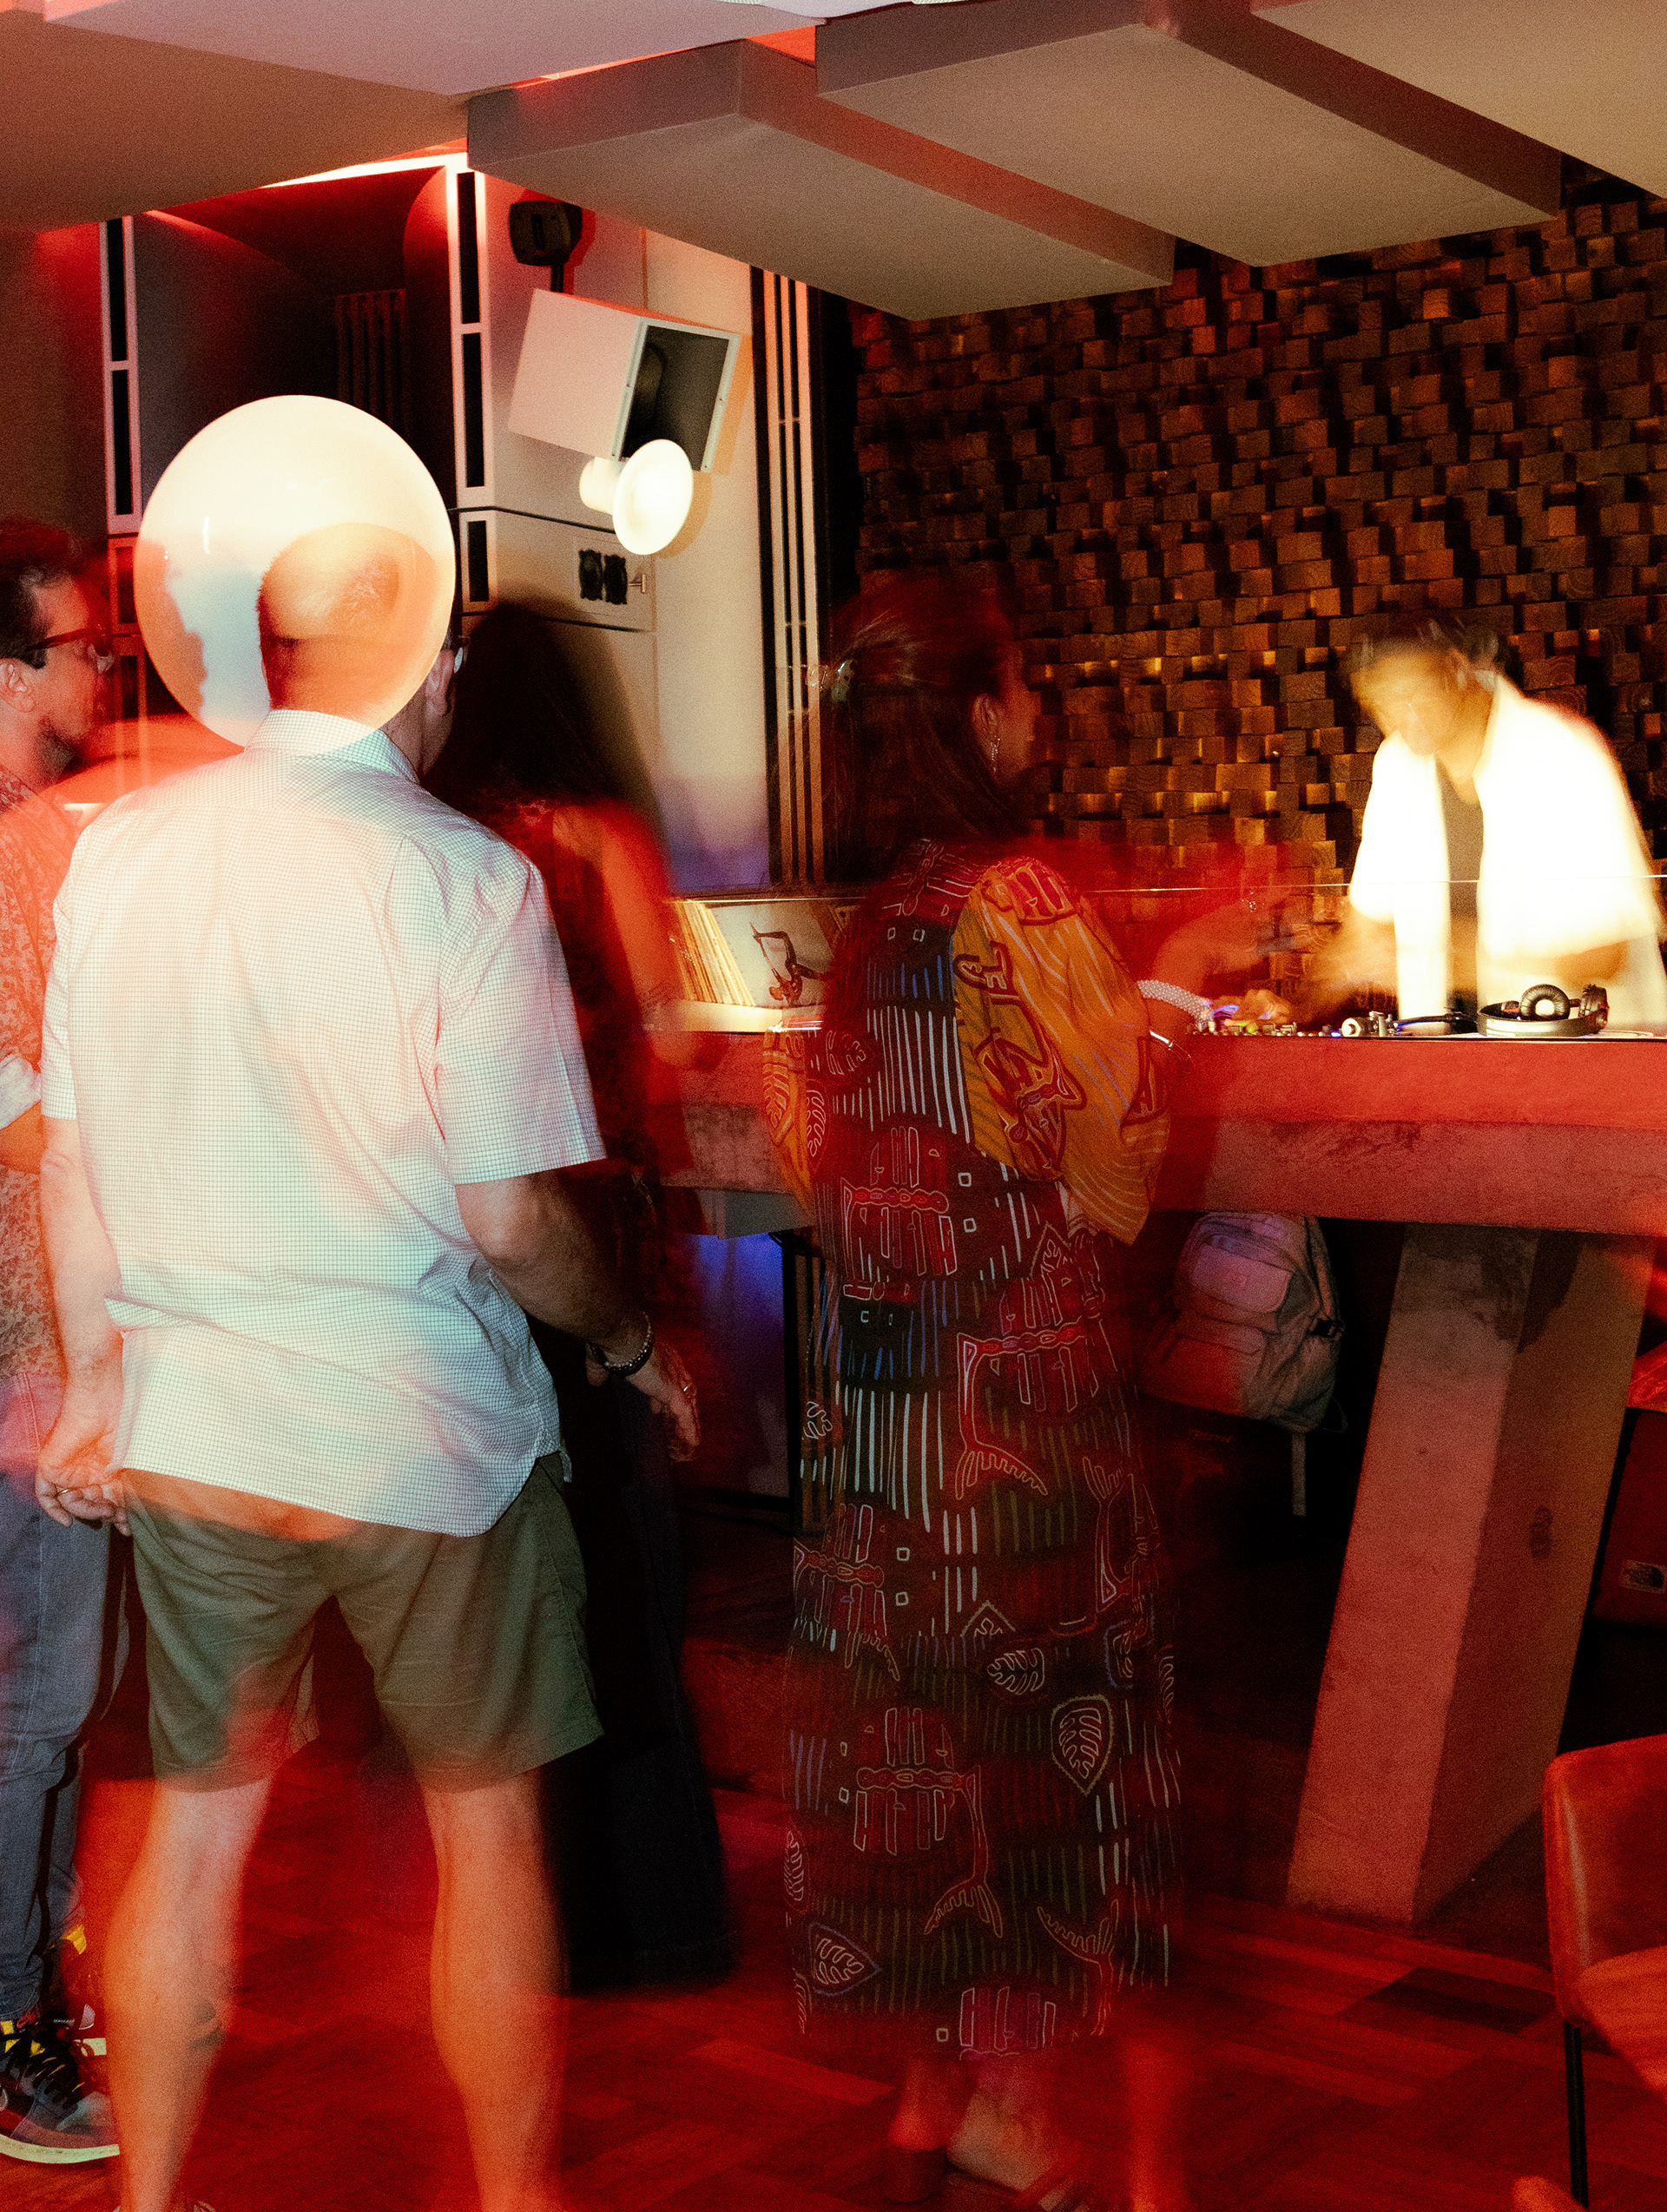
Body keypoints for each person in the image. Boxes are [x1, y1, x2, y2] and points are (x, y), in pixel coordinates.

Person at [31, 530, 697, 2212]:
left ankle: (148, 2200)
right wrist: (626, 1338)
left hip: (199, 1427)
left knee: (193, 1837)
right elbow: (510, 1217)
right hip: (424, 1433)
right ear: (432, 672)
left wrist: (99, 1382)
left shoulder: (123, 853)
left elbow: (73, 1156)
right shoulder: (465, 878)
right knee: (485, 1836)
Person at [765, 576, 1268, 2210]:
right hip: (1017, 1410)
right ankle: (1022, 2115)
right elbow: (1113, 1172)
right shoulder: (1020, 899)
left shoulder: (872, 928)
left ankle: (935, 2095)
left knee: (919, 1738)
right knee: (1039, 1755)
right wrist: (1179, 977)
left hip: (885, 1416)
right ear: (981, 716)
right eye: (1028, 688)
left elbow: (827, 1153)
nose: (1040, 715)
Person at [429, 602, 730, 1989]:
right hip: (592, 1236)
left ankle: (513, 1910)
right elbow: (674, 1035)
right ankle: (644, 1916)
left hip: (468, 1254)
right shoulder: (599, 838)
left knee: (510, 1580)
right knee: (626, 1568)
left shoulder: (442, 841)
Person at [0, 520, 116, 2166]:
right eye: (82, 647)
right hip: (26, 1351)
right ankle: (21, 2027)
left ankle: (35, 1996)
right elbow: (22, 1113)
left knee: (48, 1706)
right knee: (40, 1702)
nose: (103, 669)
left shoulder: (42, 838)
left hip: (46, 1338)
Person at [1307, 614, 1667, 1025]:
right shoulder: (1397, 764)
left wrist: (1461, 961)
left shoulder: (1562, 752)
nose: (1399, 716)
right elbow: (1365, 926)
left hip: (1588, 1046)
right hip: (1449, 1048)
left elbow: (1608, 956)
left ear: (1457, 670)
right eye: (1379, 702)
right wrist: (1290, 1009)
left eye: (1413, 692)